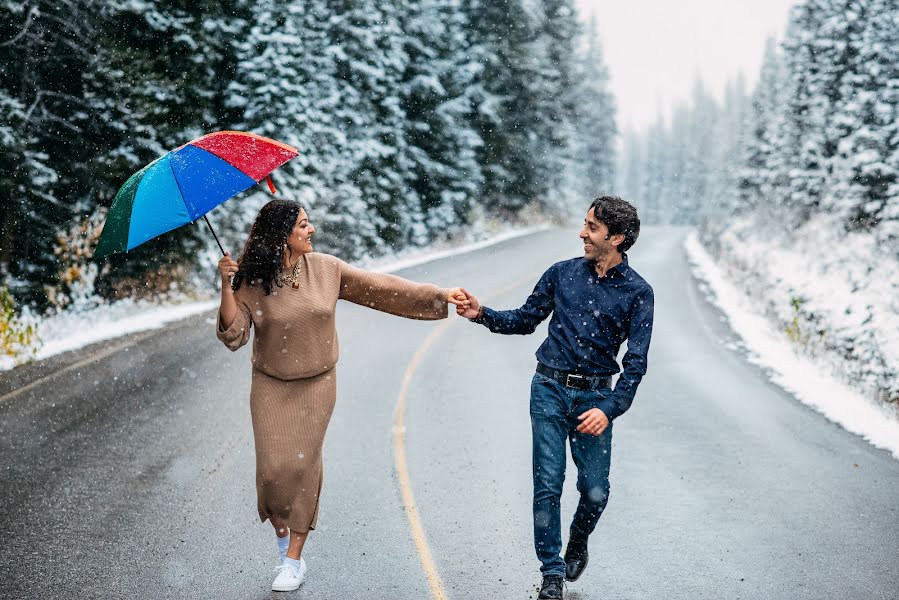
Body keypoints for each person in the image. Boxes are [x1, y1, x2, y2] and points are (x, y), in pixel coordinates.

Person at [215, 198, 469, 592]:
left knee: (301, 468)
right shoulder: (251, 280)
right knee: (271, 473)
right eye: (302, 225)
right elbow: (234, 334)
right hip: (269, 385)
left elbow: (382, 288)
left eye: (308, 222)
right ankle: (283, 540)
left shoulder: (326, 269)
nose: (311, 229)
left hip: (317, 384)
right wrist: (226, 286)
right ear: (283, 235)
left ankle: (294, 560)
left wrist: (439, 295)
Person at [456, 196, 654, 600]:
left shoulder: (638, 293)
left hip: (596, 397)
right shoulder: (561, 274)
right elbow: (525, 320)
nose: (582, 233)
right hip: (547, 389)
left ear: (616, 238)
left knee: (596, 490)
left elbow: (635, 363)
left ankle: (577, 540)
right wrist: (482, 314)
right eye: (584, 224)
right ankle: (552, 572)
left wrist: (609, 408)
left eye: (592, 228)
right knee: (548, 483)